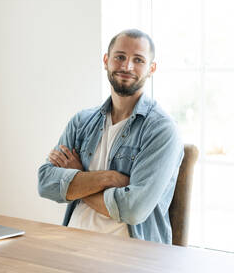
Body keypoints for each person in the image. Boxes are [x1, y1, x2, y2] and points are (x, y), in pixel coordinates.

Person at [38, 29, 184, 244]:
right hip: (70, 243)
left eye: (138, 60)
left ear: (151, 69)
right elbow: (46, 183)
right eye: (120, 57)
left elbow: (134, 209)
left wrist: (78, 177)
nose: (127, 66)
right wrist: (109, 178)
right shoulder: (82, 122)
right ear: (106, 60)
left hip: (127, 255)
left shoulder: (161, 130)